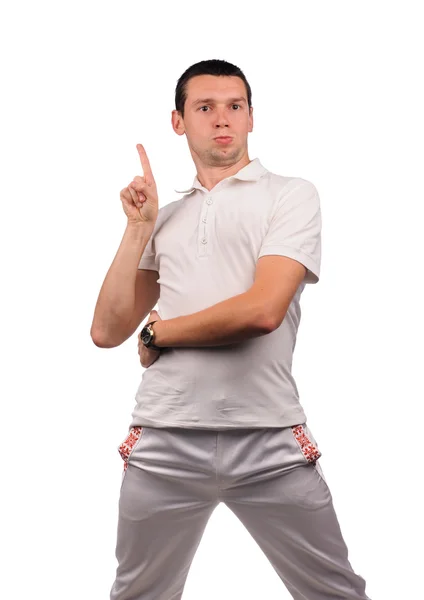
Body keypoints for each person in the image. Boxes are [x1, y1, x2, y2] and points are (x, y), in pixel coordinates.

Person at [91, 59, 372, 600]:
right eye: (205, 107)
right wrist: (137, 229)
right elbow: (107, 330)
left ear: (250, 118)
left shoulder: (291, 195)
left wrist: (159, 335)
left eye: (235, 107)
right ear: (179, 121)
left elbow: (262, 312)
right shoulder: (165, 217)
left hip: (267, 440)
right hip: (164, 439)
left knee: (336, 592)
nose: (223, 119)